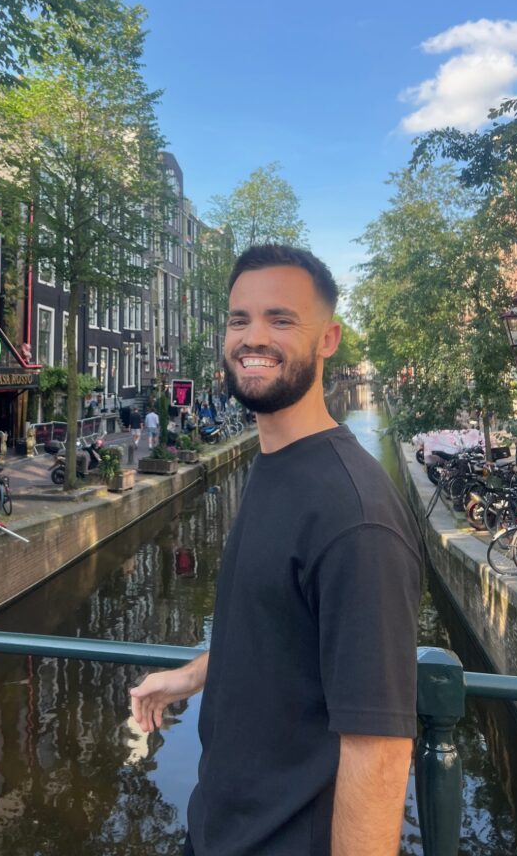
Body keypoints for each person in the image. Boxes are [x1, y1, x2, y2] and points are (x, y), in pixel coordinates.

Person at [130, 243, 422, 856]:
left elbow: (380, 751)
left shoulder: (355, 517)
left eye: (281, 319)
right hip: (217, 830)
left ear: (328, 339)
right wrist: (190, 675)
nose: (252, 337)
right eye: (240, 319)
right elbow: (279, 632)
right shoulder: (275, 462)